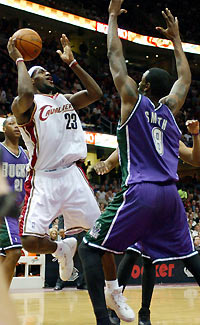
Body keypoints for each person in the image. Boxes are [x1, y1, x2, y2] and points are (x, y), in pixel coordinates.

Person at [79, 2, 200, 325]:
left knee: (90, 248)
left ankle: (104, 318)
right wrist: (176, 39)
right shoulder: (169, 112)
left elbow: (115, 58)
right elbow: (184, 79)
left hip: (142, 190)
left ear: (144, 85)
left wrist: (113, 17)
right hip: (170, 197)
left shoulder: (132, 100)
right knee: (190, 257)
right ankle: (136, 308)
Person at [7, 32, 132, 319]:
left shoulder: (66, 100)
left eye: (48, 71)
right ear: (32, 79)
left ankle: (114, 292)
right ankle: (61, 249)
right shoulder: (25, 107)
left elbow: (97, 94)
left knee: (101, 239)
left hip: (73, 176)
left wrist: (73, 63)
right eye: (42, 73)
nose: (48, 73)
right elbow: (25, 93)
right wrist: (20, 60)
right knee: (28, 240)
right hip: (44, 178)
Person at [94, 119, 200, 325]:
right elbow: (122, 147)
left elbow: (193, 158)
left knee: (147, 258)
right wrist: (108, 162)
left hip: (152, 196)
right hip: (148, 195)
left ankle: (140, 312)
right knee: (136, 254)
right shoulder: (148, 126)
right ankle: (120, 310)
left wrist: (108, 163)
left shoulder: (159, 129)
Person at [0, 116, 29, 287]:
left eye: (17, 123)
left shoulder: (25, 154)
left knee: (4, 257)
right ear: (4, 129)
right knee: (15, 251)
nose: (16, 126)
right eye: (11, 123)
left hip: (18, 210)